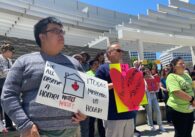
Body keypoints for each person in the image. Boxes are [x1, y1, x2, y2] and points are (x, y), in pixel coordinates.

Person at [1, 17, 86, 137]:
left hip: (72, 131)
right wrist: (25, 125)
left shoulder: (75, 63)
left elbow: (84, 96)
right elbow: (8, 95)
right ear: (42, 36)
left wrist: (83, 111)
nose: (61, 34)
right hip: (36, 132)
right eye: (56, 31)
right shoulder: (24, 61)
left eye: (62, 31)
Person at [96, 42, 135, 137]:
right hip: (113, 115)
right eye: (118, 50)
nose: (121, 52)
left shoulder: (125, 68)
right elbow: (97, 88)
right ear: (109, 53)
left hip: (129, 113)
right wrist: (115, 84)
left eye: (121, 51)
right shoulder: (102, 69)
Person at [166, 57, 195, 137]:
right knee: (180, 134)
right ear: (174, 66)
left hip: (189, 110)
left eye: (184, 63)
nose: (183, 65)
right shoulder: (171, 76)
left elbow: (191, 87)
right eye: (180, 63)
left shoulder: (186, 75)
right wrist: (192, 100)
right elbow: (177, 92)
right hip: (177, 109)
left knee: (188, 133)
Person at [143, 67, 165, 132]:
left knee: (157, 110)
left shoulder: (153, 77)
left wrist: (156, 87)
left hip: (154, 95)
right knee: (149, 110)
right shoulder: (143, 79)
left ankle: (160, 125)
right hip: (147, 95)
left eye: (148, 71)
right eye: (146, 72)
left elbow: (157, 85)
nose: (147, 73)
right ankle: (151, 125)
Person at [87, 59, 105, 137]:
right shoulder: (87, 74)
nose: (97, 65)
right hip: (91, 101)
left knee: (101, 122)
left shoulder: (101, 73)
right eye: (95, 64)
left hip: (101, 101)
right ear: (90, 66)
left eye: (98, 64)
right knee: (91, 122)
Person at [0, 43, 15, 132]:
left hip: (6, 84)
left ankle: (9, 125)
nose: (12, 53)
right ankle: (1, 127)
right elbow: (1, 72)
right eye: (11, 51)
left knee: (7, 103)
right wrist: (13, 70)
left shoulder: (9, 60)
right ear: (5, 51)